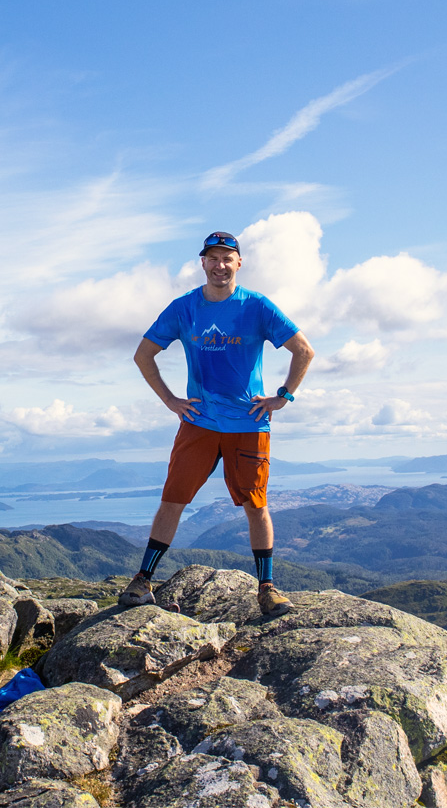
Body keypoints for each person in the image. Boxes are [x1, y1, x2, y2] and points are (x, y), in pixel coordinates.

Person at [120, 231, 314, 616]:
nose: (220, 265)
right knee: (172, 499)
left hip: (248, 422)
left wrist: (284, 395)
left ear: (239, 263)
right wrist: (171, 401)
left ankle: (267, 588)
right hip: (200, 421)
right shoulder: (184, 308)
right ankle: (143, 580)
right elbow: (144, 355)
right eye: (213, 258)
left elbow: (304, 351)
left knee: (256, 505)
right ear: (202, 263)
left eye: (228, 258)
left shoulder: (256, 306)